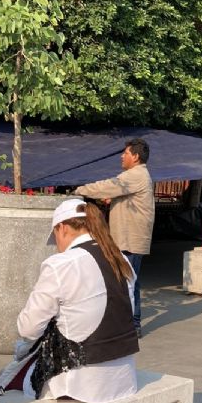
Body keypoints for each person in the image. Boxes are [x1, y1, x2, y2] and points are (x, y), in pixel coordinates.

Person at [15, 199, 139, 403]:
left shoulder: (61, 264)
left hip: (81, 384)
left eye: (55, 237)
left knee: (10, 383)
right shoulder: (121, 260)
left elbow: (27, 329)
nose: (58, 247)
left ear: (62, 228)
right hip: (124, 378)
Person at [75, 138, 154, 337]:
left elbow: (108, 186)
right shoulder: (136, 176)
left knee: (129, 281)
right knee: (128, 280)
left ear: (135, 157)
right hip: (127, 238)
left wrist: (78, 190)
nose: (122, 156)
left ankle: (132, 325)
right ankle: (128, 322)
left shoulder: (135, 175)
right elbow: (119, 193)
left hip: (131, 239)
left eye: (125, 153)